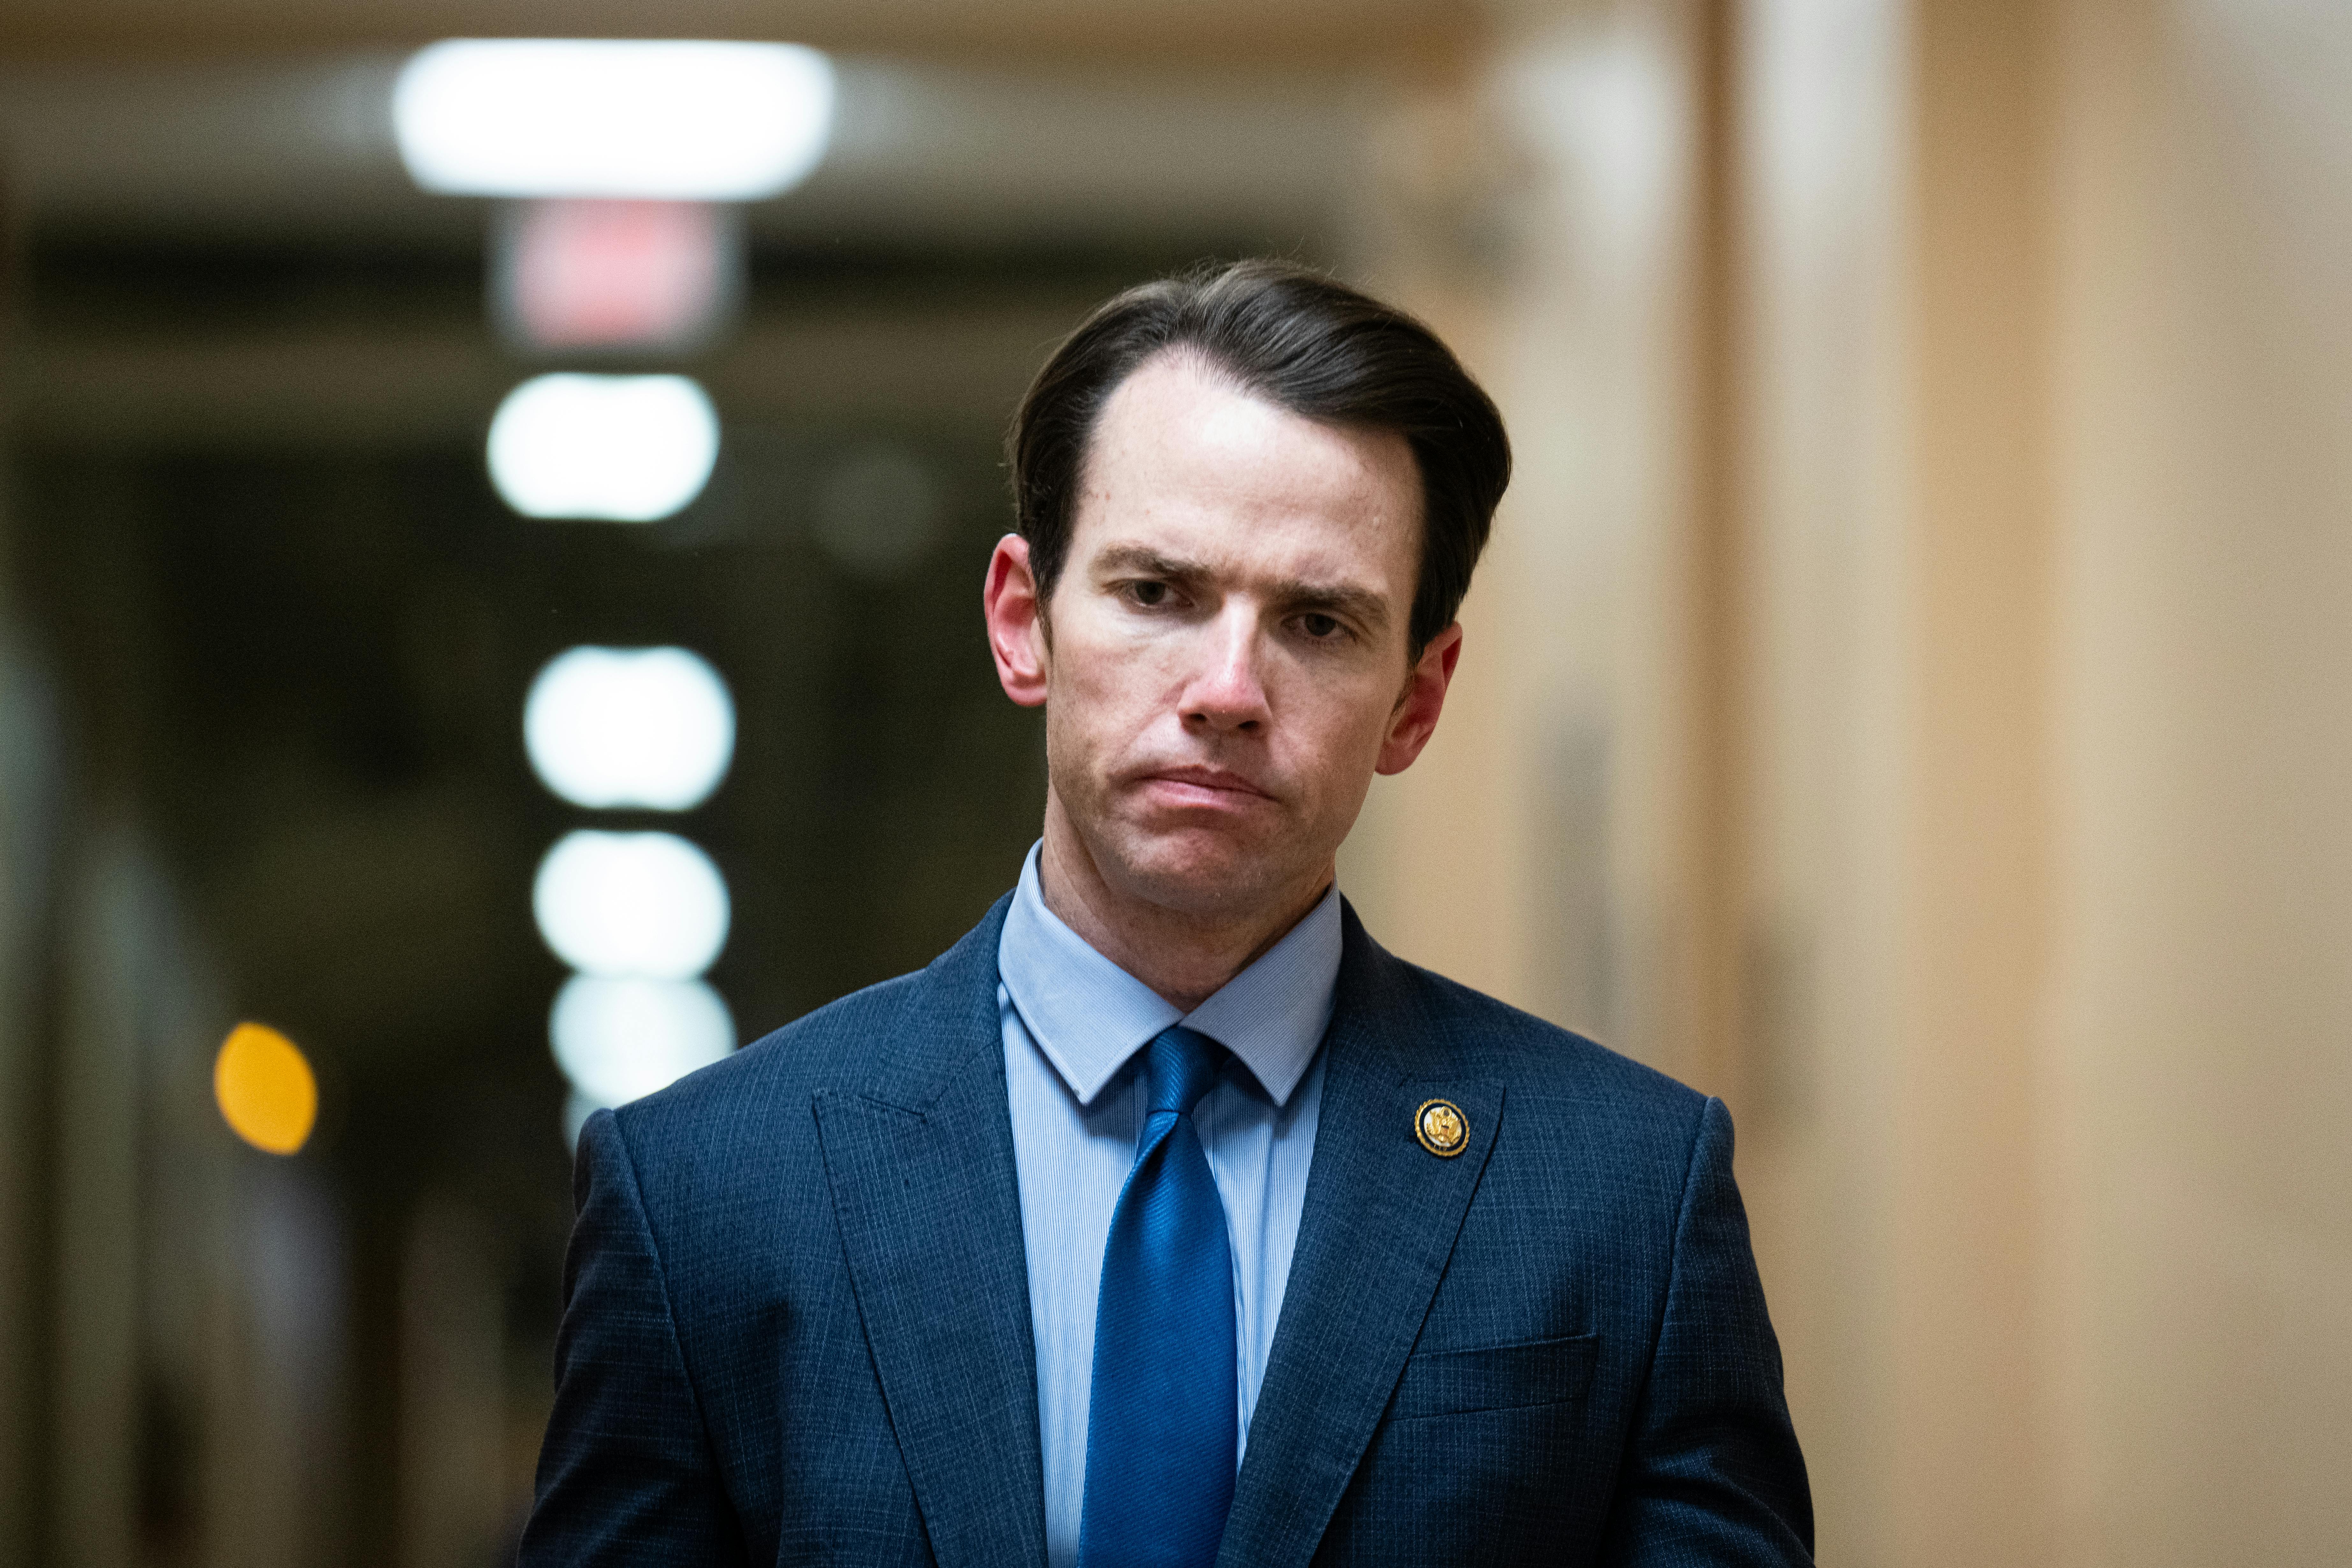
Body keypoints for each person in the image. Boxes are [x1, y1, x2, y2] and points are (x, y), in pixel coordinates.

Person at [519, 260, 1812, 1567]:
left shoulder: (1626, 1196)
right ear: (1025, 623)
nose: (1228, 687)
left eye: (1317, 621)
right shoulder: (708, 1194)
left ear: (1416, 701)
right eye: (1158, 594)